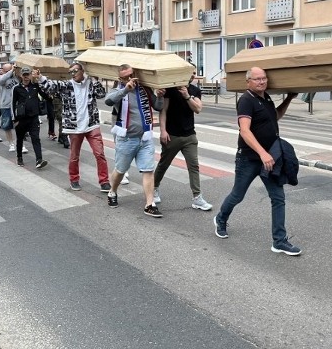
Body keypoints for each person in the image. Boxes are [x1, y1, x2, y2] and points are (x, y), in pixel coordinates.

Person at [213, 67, 301, 256]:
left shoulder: (266, 98)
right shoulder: (246, 100)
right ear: (248, 82)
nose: (262, 82)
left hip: (270, 158)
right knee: (238, 195)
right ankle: (220, 218)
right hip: (249, 158)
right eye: (257, 79)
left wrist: (288, 99)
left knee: (278, 198)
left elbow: (275, 116)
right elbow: (245, 130)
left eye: (264, 78)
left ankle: (279, 241)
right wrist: (262, 153)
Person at [104, 64, 164, 216]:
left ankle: (150, 204)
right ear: (120, 78)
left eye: (131, 75)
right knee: (120, 170)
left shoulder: (145, 89)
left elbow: (157, 106)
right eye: (125, 77)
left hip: (145, 138)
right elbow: (108, 101)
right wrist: (126, 89)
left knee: (148, 170)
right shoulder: (119, 91)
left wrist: (161, 96)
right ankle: (112, 191)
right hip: (127, 139)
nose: (130, 78)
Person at [39, 62, 109, 191]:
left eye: (75, 71)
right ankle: (74, 179)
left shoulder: (90, 83)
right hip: (74, 127)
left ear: (82, 71)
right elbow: (51, 86)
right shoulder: (67, 85)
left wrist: (94, 78)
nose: (73, 74)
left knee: (100, 154)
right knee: (74, 155)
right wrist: (40, 77)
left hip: (92, 125)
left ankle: (104, 181)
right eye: (70, 72)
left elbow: (101, 94)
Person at [153, 65, 212, 211]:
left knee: (194, 166)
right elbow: (163, 111)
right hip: (172, 135)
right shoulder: (170, 89)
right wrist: (163, 131)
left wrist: (187, 96)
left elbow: (197, 108)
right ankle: (153, 188)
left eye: (194, 73)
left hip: (190, 136)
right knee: (163, 164)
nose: (192, 75)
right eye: (189, 73)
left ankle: (197, 197)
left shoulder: (194, 90)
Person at [11, 67, 47, 169]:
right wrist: (14, 119)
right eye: (24, 75)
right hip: (21, 118)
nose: (26, 77)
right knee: (20, 139)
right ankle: (19, 157)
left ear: (31, 75)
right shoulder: (16, 88)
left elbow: (45, 95)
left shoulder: (35, 86)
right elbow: (13, 104)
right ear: (21, 76)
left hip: (34, 118)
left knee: (35, 138)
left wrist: (40, 79)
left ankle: (39, 160)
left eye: (28, 75)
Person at [0, 63, 27, 154]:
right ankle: (11, 144)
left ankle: (21, 145)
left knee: (19, 125)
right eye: (5, 71)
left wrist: (17, 71)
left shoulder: (17, 78)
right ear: (3, 71)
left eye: (9, 70)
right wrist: (11, 71)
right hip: (5, 105)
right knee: (7, 126)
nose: (8, 72)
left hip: (16, 105)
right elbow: (2, 80)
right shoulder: (1, 78)